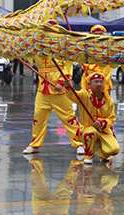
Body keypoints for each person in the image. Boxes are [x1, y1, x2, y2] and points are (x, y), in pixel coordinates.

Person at [23, 20, 83, 155]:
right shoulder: (37, 48)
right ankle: (35, 144)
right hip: (42, 90)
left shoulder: (63, 48)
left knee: (69, 117)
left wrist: (61, 83)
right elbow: (24, 53)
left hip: (60, 91)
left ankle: (79, 143)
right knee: (38, 118)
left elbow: (68, 68)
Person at [63, 72, 120, 164]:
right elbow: (73, 95)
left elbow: (112, 119)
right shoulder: (84, 95)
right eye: (96, 82)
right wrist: (68, 87)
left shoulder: (109, 101)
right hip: (87, 128)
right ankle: (88, 155)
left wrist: (102, 123)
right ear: (89, 84)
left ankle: (102, 153)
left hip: (103, 130)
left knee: (115, 149)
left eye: (101, 82)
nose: (99, 84)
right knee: (91, 132)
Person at [80, 25, 113, 95]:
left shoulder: (109, 48)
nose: (98, 36)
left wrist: (97, 79)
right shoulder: (85, 47)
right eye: (95, 34)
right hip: (88, 80)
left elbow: (109, 66)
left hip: (103, 81)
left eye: (100, 34)